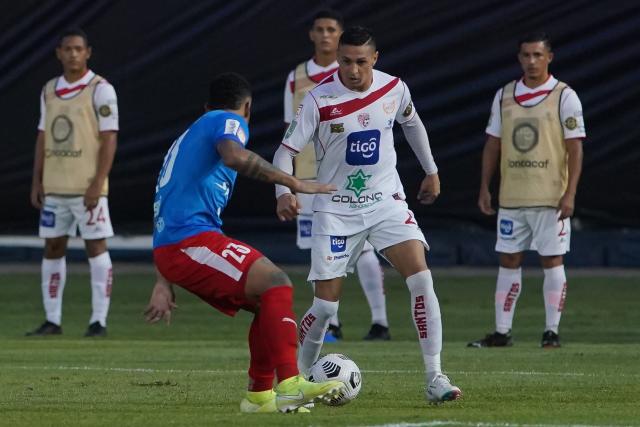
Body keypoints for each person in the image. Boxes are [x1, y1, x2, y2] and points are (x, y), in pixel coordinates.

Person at [273, 26, 462, 403]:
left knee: (421, 278)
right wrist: (283, 191)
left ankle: (435, 376)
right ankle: (295, 382)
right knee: (326, 306)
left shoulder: (395, 88)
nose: (353, 70)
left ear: (375, 58)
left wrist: (432, 170)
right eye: (346, 61)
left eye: (361, 61)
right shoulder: (318, 99)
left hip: (385, 203)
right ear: (338, 59)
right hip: (336, 210)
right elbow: (284, 152)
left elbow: (412, 124)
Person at [144, 72, 344, 413]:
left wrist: (163, 278)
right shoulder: (227, 120)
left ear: (206, 106)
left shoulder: (187, 138)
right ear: (247, 107)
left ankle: (259, 397)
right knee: (277, 282)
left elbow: (166, 202)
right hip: (189, 241)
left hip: (178, 245)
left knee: (268, 302)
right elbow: (234, 156)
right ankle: (291, 383)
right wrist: (294, 181)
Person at [468, 32, 585, 349]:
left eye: (537, 55)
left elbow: (575, 149)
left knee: (552, 261)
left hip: (550, 198)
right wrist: (485, 187)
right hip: (512, 196)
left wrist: (570, 193)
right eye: (526, 55)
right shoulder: (505, 94)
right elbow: (493, 144)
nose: (531, 61)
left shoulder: (564, 96)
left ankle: (551, 331)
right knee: (508, 260)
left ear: (549, 57)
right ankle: (502, 332)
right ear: (519, 58)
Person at [284, 9, 390, 342]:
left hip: (355, 175)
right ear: (312, 35)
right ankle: (332, 323)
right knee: (324, 251)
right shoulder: (297, 77)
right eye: (320, 29)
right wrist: (290, 181)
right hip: (310, 178)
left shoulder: (359, 73)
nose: (326, 35)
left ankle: (380, 321)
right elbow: (290, 131)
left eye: (332, 29)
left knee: (367, 250)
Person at [27, 28, 118, 337]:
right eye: (68, 49)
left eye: (79, 49)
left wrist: (98, 182)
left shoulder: (100, 89)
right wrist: (37, 179)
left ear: (88, 52)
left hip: (88, 188)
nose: (73, 54)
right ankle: (52, 320)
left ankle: (99, 321)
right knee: (52, 247)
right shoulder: (49, 90)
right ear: (59, 53)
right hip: (55, 186)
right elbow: (43, 136)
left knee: (95, 246)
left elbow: (109, 139)